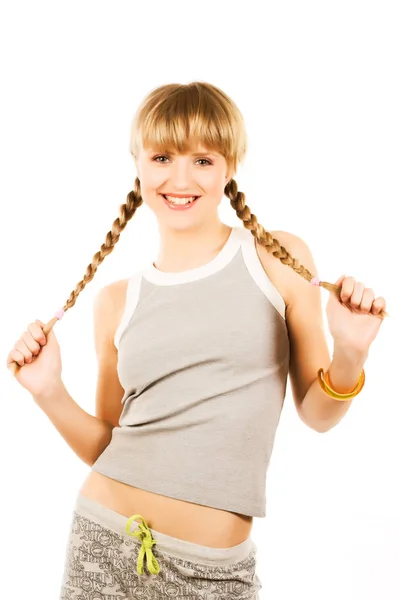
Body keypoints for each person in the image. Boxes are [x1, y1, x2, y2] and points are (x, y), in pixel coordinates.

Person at [6, 81, 387, 599]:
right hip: (105, 547)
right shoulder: (116, 301)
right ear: (138, 165)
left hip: (217, 573)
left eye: (202, 161)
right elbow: (107, 445)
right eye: (162, 156)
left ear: (230, 167)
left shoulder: (274, 257)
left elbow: (318, 413)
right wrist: (48, 391)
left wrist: (351, 353)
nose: (180, 179)